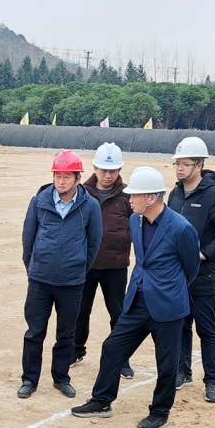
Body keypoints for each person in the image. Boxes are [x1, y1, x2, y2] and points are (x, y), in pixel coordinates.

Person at [71, 166, 199, 428]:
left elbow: (191, 268)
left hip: (168, 306)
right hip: (138, 301)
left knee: (166, 364)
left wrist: (167, 288)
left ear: (151, 198)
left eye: (135, 196)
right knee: (112, 348)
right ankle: (102, 401)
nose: (129, 200)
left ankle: (160, 412)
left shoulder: (181, 228)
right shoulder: (135, 221)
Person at [18, 150, 102, 400]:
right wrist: (34, 267)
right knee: (34, 332)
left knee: (66, 333)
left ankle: (61, 378)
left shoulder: (90, 206)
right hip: (40, 281)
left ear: (78, 178)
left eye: (67, 177)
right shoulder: (39, 201)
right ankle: (29, 379)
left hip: (71, 282)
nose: (61, 181)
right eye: (57, 176)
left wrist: (78, 269)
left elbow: (94, 243)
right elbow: (28, 238)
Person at [167, 137, 215, 403]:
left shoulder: (214, 195)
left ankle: (212, 381)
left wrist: (204, 253)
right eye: (177, 164)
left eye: (185, 164)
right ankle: (182, 371)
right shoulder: (175, 194)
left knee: (206, 329)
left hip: (203, 275)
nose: (180, 168)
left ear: (199, 165)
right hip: (179, 274)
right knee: (181, 326)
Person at [72, 142, 135, 378]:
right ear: (95, 168)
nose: (108, 175)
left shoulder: (128, 195)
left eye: (113, 170)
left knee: (119, 314)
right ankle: (75, 350)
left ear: (119, 170)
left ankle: (121, 358)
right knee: (80, 311)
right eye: (104, 170)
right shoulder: (81, 192)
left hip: (116, 266)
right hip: (86, 265)